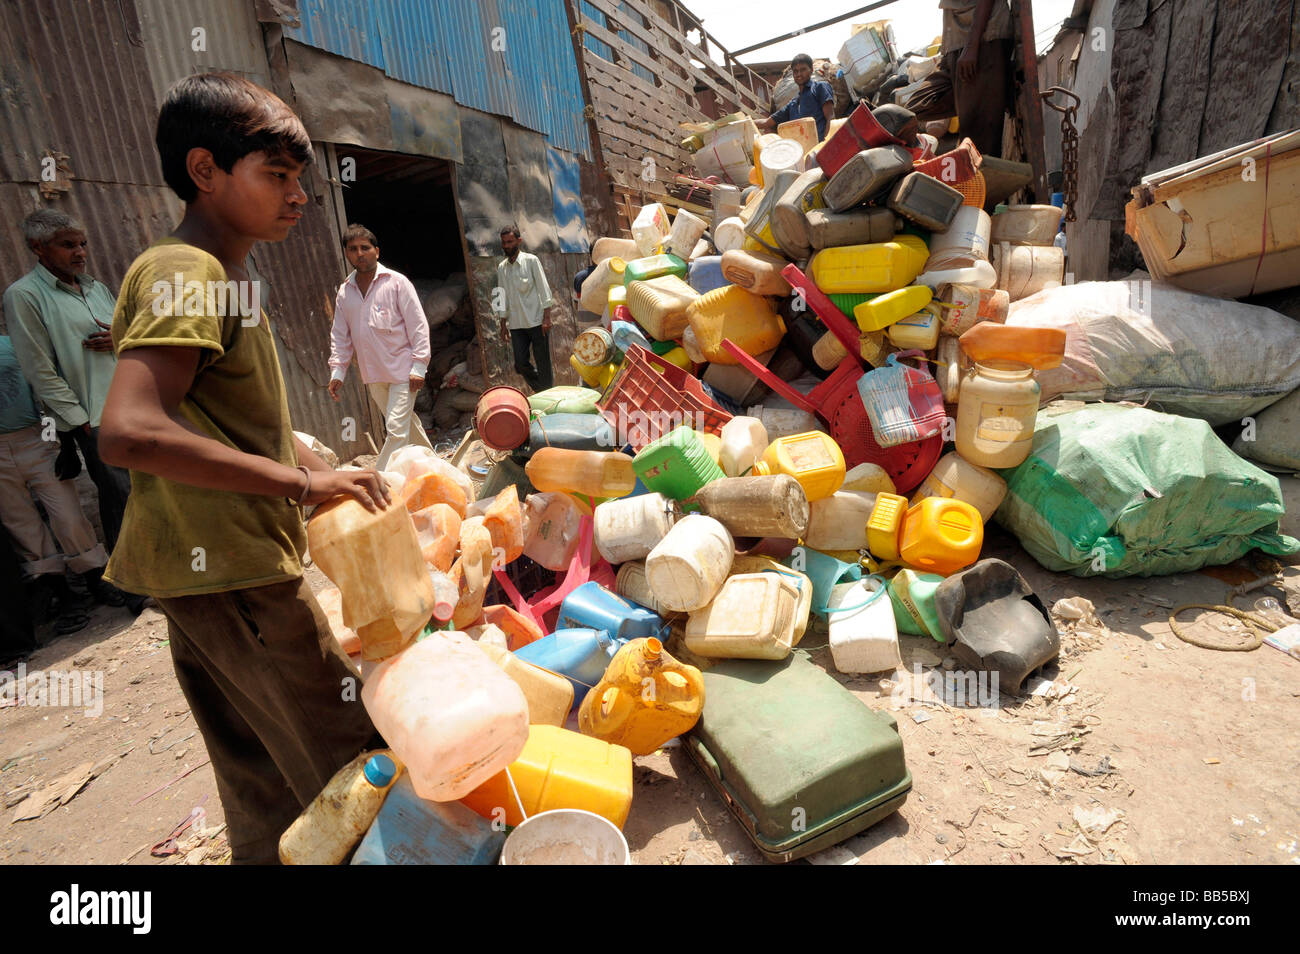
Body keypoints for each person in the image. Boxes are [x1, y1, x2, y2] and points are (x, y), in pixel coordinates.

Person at [97, 72, 387, 864]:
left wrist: (296, 448)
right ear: (204, 171)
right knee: (345, 758)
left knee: (259, 769)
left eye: (301, 180)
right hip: (230, 570)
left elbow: (206, 406)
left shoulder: (224, 279)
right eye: (277, 176)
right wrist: (301, 484)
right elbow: (127, 429)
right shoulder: (184, 272)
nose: (299, 198)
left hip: (203, 572)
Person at [4, 210, 134, 558]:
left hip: (133, 407)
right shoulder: (25, 296)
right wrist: (78, 422)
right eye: (68, 245)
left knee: (154, 492)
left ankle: (167, 572)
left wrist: (121, 338)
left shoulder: (96, 288)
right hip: (95, 418)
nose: (80, 252)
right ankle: (134, 588)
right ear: (38, 247)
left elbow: (128, 339)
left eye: (83, 244)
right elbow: (38, 369)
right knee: (121, 498)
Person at [0, 333, 112, 632]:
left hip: (35, 437)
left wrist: (58, 443)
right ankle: (64, 596)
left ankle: (96, 580)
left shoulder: (13, 345)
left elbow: (44, 390)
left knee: (69, 516)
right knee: (22, 526)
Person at [326, 224, 433, 470]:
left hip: (403, 371)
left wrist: (419, 366)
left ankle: (380, 480)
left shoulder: (396, 283)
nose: (359, 253)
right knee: (407, 425)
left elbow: (418, 325)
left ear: (377, 251)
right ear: (346, 254)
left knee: (395, 430)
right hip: (373, 374)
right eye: (353, 249)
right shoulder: (345, 292)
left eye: (365, 247)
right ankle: (436, 467)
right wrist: (338, 372)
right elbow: (340, 335)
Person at [905, 0, 1014, 159]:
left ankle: (985, 103)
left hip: (983, 41)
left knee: (977, 147)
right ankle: (982, 102)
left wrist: (972, 47)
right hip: (956, 46)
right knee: (915, 107)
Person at [494, 226, 554, 394]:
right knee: (520, 363)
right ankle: (543, 390)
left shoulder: (531, 261)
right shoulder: (502, 268)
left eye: (510, 242)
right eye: (504, 243)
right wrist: (503, 323)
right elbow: (501, 295)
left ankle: (548, 395)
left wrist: (547, 318)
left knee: (543, 363)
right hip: (517, 324)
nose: (506, 246)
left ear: (519, 241)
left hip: (537, 321)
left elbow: (544, 289)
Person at [757, 54, 835, 141]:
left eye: (803, 70)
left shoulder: (819, 87)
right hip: (804, 152)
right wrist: (745, 122)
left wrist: (826, 144)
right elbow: (767, 123)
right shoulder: (792, 104)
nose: (799, 74)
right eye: (796, 71)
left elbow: (830, 118)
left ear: (811, 70)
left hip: (820, 148)